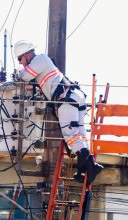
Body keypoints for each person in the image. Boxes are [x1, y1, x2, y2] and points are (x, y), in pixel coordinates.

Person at [13, 40, 103, 185]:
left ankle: (91, 165)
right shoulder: (41, 64)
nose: (21, 63)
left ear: (27, 54)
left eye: (20, 59)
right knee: (78, 135)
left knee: (71, 135)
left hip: (66, 99)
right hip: (73, 97)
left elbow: (23, 76)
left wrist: (17, 73)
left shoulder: (39, 59)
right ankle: (84, 169)